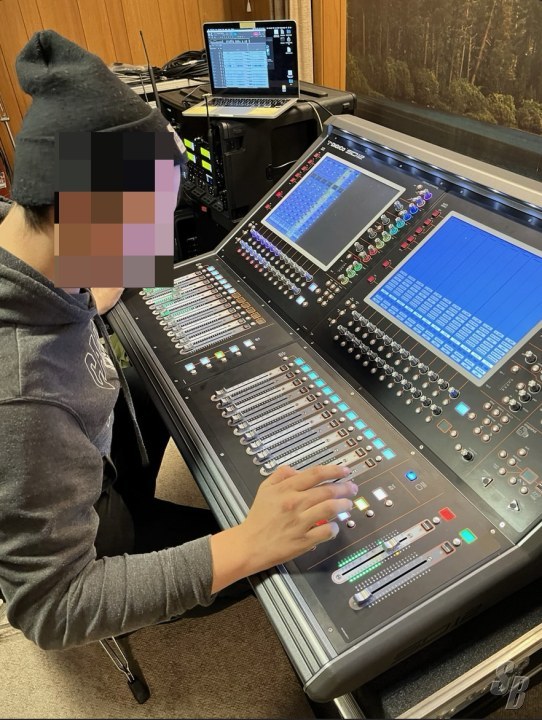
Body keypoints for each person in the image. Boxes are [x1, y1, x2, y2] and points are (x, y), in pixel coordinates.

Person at [0, 30, 357, 651]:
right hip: (94, 538)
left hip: (94, 455)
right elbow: (53, 609)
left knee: (159, 376)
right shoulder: (23, 398)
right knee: (300, 557)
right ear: (77, 207)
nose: (156, 250)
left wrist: (91, 286)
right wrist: (247, 544)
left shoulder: (28, 238)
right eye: (146, 223)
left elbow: (87, 276)